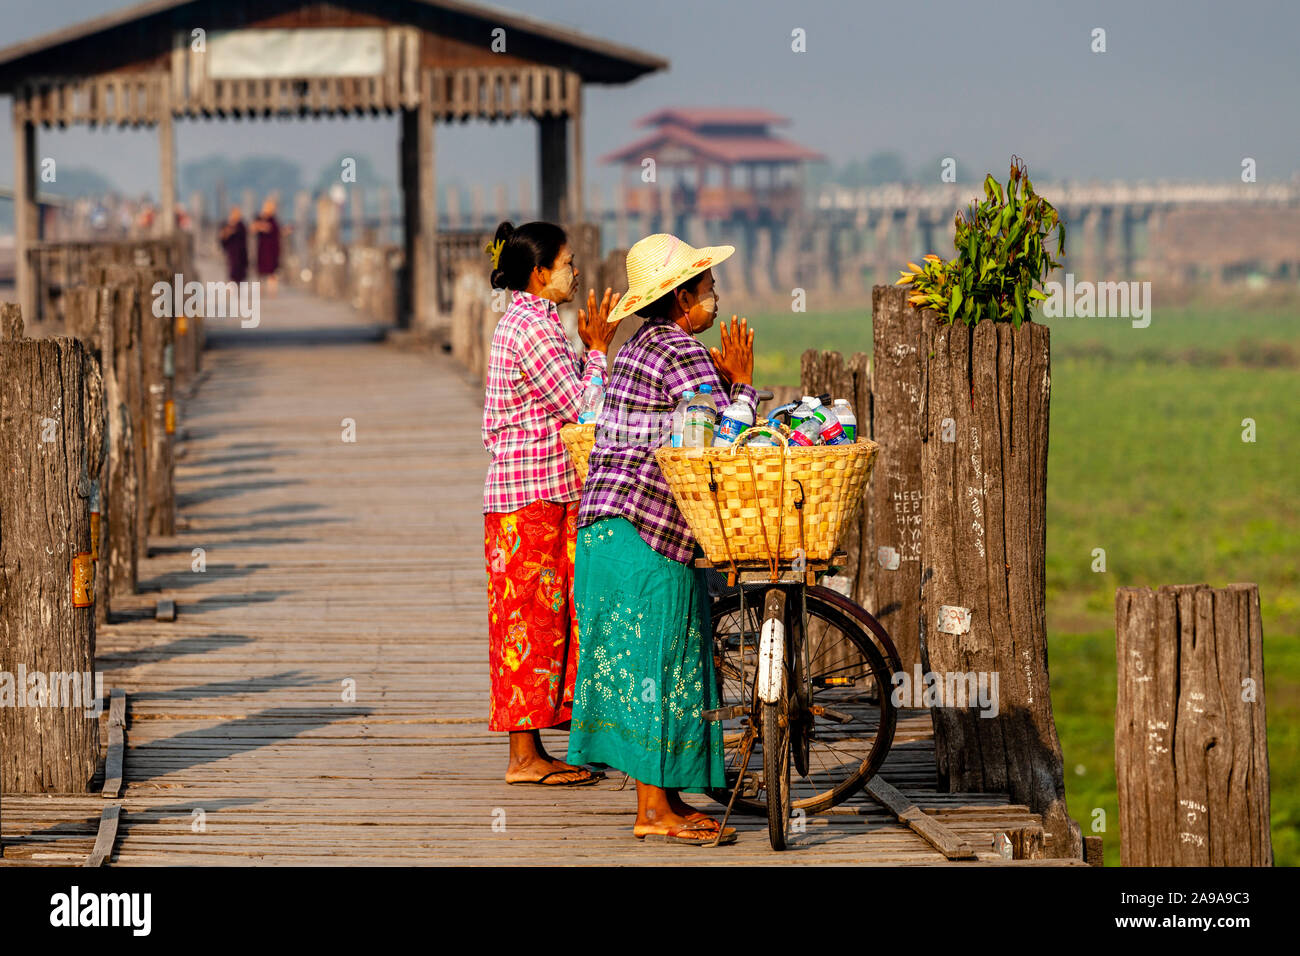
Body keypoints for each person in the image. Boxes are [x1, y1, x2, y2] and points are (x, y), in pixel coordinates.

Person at [568, 233, 754, 845]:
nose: (715, 300)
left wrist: (722, 387)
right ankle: (653, 812)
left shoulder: (637, 345)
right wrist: (745, 387)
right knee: (663, 663)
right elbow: (716, 442)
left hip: (605, 529)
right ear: (680, 300)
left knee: (648, 665)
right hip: (646, 534)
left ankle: (665, 799)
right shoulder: (682, 352)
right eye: (706, 290)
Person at [482, 220, 623, 786]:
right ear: (540, 275)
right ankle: (523, 757)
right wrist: (598, 352)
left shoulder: (529, 320)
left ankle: (533, 747)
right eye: (567, 264)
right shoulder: (532, 330)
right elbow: (580, 409)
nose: (576, 272)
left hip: (533, 493)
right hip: (530, 496)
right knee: (531, 623)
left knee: (540, 621)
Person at [251, 197, 282, 295]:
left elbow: (276, 230)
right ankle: (260, 290)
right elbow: (253, 228)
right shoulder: (259, 217)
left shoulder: (274, 219)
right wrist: (262, 226)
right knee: (261, 270)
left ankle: (272, 291)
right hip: (262, 248)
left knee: (272, 270)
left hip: (273, 248)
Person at [219, 207, 248, 283]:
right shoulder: (226, 225)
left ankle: (238, 292)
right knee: (231, 275)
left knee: (240, 277)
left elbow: (243, 237)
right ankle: (231, 292)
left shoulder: (241, 226)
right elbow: (222, 237)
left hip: (241, 255)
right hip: (231, 254)